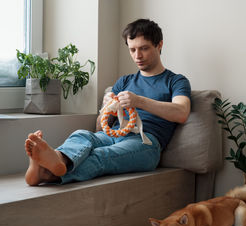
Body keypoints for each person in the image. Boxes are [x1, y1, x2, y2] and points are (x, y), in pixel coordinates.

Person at [24, 19, 191, 186]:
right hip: (113, 134)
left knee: (102, 155)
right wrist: (105, 109)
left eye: (144, 48)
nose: (137, 56)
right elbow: (100, 128)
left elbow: (181, 112)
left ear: (159, 45)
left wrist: (139, 101)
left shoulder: (175, 81)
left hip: (145, 142)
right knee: (82, 135)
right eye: (132, 50)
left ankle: (46, 172)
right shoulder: (124, 82)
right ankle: (58, 159)